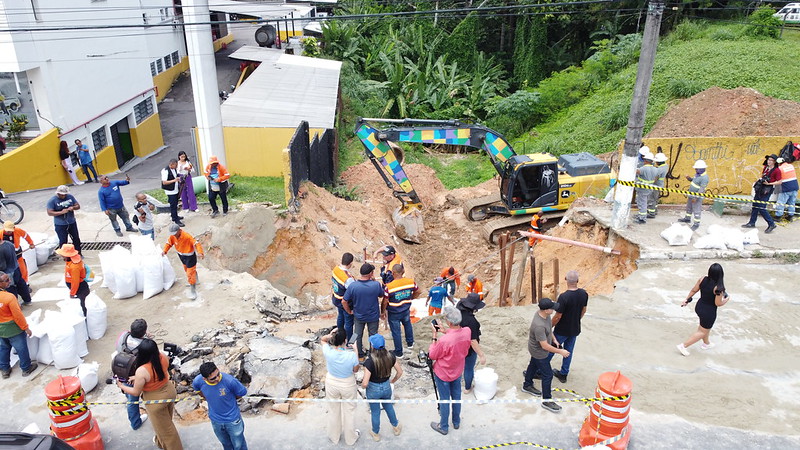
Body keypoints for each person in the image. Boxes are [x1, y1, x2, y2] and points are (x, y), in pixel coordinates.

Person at [116, 339, 183, 450]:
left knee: (168, 432)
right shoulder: (162, 357)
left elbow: (136, 392)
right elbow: (158, 373)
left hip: (155, 399)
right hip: (169, 391)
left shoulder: (142, 370)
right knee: (164, 422)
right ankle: (161, 443)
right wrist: (138, 379)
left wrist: (121, 386)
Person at [522, 297, 571, 414]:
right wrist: (560, 351)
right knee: (548, 375)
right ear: (545, 310)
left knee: (533, 365)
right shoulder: (539, 326)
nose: (553, 310)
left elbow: (549, 329)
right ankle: (546, 400)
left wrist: (554, 339)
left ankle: (527, 384)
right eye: (551, 308)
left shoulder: (545, 315)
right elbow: (544, 346)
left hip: (536, 350)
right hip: (539, 352)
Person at [428, 306, 471, 435]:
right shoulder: (467, 331)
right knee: (457, 396)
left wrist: (435, 335)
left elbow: (433, 355)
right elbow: (456, 335)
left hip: (443, 373)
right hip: (457, 371)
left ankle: (444, 426)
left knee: (445, 399)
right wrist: (446, 331)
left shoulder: (444, 341)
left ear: (449, 322)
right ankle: (456, 421)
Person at [677, 263, 730, 356]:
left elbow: (694, 290)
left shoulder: (702, 279)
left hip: (699, 307)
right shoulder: (718, 288)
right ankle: (683, 346)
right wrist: (726, 299)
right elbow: (718, 303)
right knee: (702, 331)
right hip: (709, 312)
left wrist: (687, 300)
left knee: (704, 328)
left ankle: (706, 344)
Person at [192, 362, 248, 450]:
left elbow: (241, 393)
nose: (217, 378)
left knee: (239, 445)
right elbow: (198, 390)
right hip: (216, 421)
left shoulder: (230, 381)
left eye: (218, 374)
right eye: (213, 378)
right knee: (226, 444)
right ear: (204, 379)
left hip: (233, 420)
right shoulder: (198, 381)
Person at [320, 327, 360, 446]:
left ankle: (334, 436)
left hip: (332, 382)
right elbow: (356, 370)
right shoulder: (351, 355)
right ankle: (350, 438)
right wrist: (356, 350)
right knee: (349, 411)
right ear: (345, 340)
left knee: (333, 410)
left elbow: (323, 340)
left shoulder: (328, 352)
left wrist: (331, 335)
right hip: (347, 383)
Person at [361, 334, 402, 441]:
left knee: (375, 412)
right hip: (386, 386)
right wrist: (392, 381)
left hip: (373, 389)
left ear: (372, 346)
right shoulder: (391, 356)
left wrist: (362, 386)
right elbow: (400, 372)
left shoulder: (369, 361)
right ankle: (396, 427)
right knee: (389, 407)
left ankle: (375, 433)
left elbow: (365, 383)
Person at [551, 270, 588, 383]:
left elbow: (558, 316)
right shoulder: (584, 294)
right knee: (569, 351)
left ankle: (539, 370)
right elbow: (583, 310)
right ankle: (564, 373)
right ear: (577, 280)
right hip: (575, 329)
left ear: (565, 279)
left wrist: (550, 326)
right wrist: (577, 320)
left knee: (551, 349)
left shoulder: (563, 297)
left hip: (562, 330)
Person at [0, 273, 37, 379]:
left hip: (1, 329)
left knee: (3, 348)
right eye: (6, 280)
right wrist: (26, 328)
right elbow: (18, 315)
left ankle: (5, 370)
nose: (9, 281)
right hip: (13, 329)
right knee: (21, 348)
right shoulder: (9, 297)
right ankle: (26, 368)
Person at [115, 318, 150, 430]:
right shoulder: (143, 345)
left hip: (120, 371)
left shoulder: (123, 335)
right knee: (132, 400)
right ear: (144, 332)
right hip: (133, 377)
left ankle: (135, 416)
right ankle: (136, 423)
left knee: (128, 395)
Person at [343, 263, 383, 358]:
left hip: (358, 315)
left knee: (356, 335)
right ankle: (373, 355)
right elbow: (381, 295)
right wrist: (373, 281)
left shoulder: (353, 286)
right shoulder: (376, 285)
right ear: (370, 273)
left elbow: (344, 301)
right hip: (373, 316)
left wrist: (349, 311)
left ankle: (359, 355)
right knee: (373, 335)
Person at [383, 264, 418, 357]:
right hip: (406, 309)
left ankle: (399, 352)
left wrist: (382, 311)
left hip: (394, 311)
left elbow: (385, 300)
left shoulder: (389, 286)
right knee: (407, 324)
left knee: (396, 331)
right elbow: (418, 291)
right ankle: (410, 343)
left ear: (393, 273)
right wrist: (411, 298)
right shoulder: (410, 282)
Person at [162, 224, 204, 299]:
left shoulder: (187, 236)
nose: (173, 235)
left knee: (190, 274)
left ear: (179, 230)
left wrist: (200, 252)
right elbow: (168, 243)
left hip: (190, 257)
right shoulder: (173, 237)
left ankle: (193, 290)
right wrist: (164, 251)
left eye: (175, 233)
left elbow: (196, 244)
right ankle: (196, 280)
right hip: (182, 256)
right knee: (187, 270)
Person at [456, 293, 487, 394]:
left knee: (458, 365)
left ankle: (456, 382)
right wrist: (481, 355)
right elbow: (473, 341)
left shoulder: (458, 308)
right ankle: (467, 387)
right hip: (468, 348)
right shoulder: (471, 321)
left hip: (457, 342)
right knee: (469, 368)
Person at [742, 154, 780, 234]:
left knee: (762, 207)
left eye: (771, 160)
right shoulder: (765, 167)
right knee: (755, 205)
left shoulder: (777, 170)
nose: (769, 162)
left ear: (774, 162)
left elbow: (779, 181)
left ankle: (771, 223)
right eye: (768, 160)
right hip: (761, 188)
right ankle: (752, 222)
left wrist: (769, 183)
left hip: (768, 188)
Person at [55, 244, 89, 317]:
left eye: (63, 255)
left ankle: (85, 319)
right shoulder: (73, 261)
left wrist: (72, 293)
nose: (62, 256)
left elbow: (75, 281)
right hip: (79, 288)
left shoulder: (74, 267)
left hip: (80, 289)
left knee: (82, 305)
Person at [47, 185, 82, 254]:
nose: (64, 196)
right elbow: (49, 212)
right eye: (62, 195)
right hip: (60, 224)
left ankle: (78, 253)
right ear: (58, 193)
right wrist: (61, 212)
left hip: (71, 222)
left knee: (76, 238)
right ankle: (65, 256)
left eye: (65, 195)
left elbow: (78, 206)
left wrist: (73, 207)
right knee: (63, 241)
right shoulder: (52, 200)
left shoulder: (70, 197)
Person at [677, 160, 709, 231]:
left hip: (696, 197)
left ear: (701, 169)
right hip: (691, 195)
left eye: (696, 169)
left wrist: (696, 197)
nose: (695, 170)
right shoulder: (698, 174)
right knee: (689, 207)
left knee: (696, 210)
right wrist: (689, 178)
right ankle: (687, 218)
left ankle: (696, 224)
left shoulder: (705, 178)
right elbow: (694, 181)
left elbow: (701, 189)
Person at [331, 252, 355, 341]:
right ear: (350, 263)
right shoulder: (348, 279)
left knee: (340, 317)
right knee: (349, 323)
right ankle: (350, 341)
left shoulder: (335, 269)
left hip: (336, 299)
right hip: (345, 303)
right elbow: (354, 292)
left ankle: (340, 336)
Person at [633, 151, 658, 224]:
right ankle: (641, 215)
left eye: (644, 160)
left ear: (646, 160)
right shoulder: (655, 169)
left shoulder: (643, 168)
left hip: (642, 189)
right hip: (649, 188)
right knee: (643, 202)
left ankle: (642, 219)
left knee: (642, 203)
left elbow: (637, 172)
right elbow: (656, 178)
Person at [161, 159, 184, 226]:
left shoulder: (174, 169)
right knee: (173, 206)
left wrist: (178, 180)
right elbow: (164, 182)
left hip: (175, 189)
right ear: (171, 164)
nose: (176, 167)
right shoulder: (165, 171)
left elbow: (175, 177)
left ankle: (176, 216)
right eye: (175, 165)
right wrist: (174, 180)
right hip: (170, 191)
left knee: (176, 204)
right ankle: (175, 219)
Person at [774, 157, 797, 223]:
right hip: (794, 187)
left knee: (781, 202)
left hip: (786, 188)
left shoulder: (779, 169)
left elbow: (777, 178)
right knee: (792, 202)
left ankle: (778, 216)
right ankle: (790, 216)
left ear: (779, 163)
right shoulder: (791, 166)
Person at [649, 152, 669, 217]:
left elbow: (655, 174)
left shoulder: (661, 169)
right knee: (655, 199)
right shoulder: (665, 166)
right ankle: (655, 210)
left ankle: (651, 213)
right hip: (659, 185)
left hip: (656, 185)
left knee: (652, 199)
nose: (656, 162)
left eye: (657, 161)